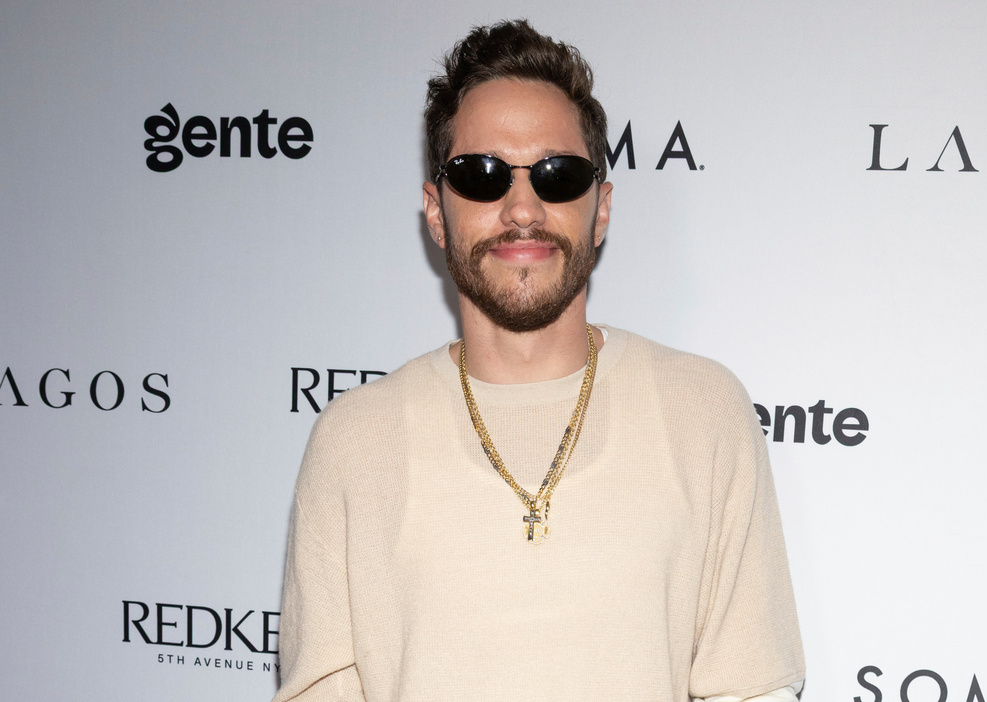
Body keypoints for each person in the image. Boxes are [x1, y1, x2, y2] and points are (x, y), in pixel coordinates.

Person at [273, 19, 805, 702]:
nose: (522, 208)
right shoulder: (354, 438)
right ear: (437, 213)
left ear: (601, 208)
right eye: (481, 175)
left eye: (557, 175)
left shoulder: (702, 408)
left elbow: (750, 687)